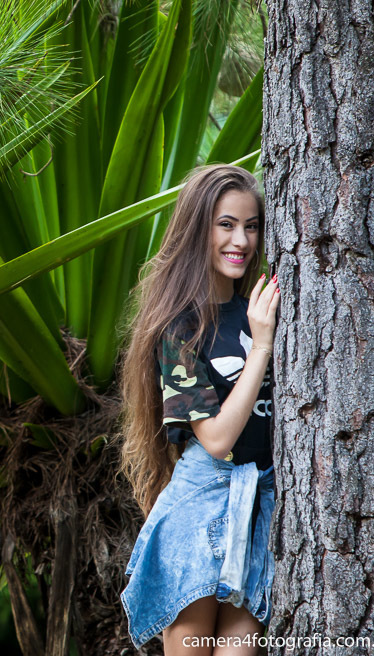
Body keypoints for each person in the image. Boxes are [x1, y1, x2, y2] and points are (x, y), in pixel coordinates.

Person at [117, 164, 280, 655]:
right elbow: (215, 439)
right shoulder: (179, 329)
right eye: (226, 224)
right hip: (204, 503)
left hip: (262, 506)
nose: (242, 240)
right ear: (198, 229)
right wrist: (262, 347)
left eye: (251, 226)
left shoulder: (262, 307)